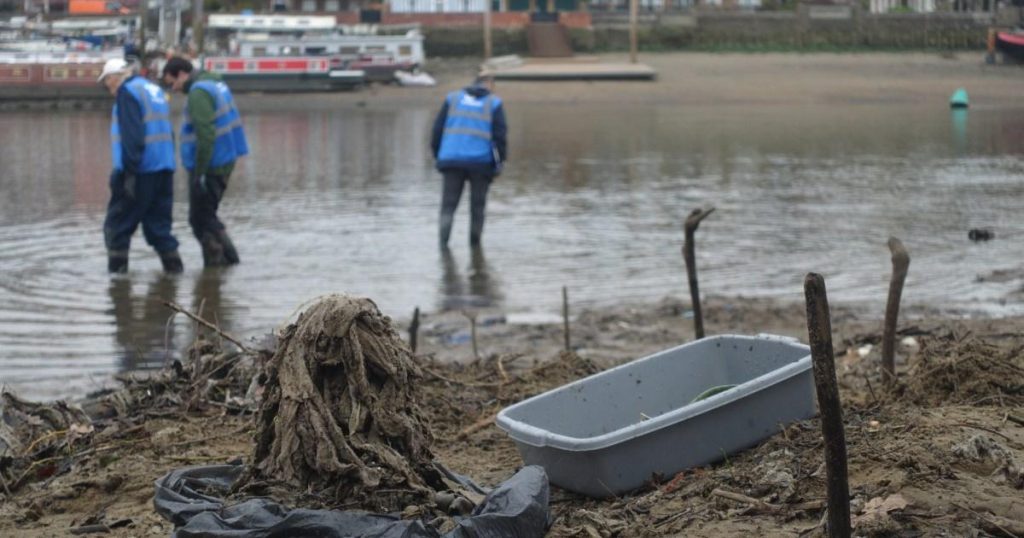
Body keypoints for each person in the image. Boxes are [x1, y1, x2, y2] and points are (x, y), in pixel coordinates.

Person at [162, 56, 249, 267]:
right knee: (206, 216)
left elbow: (206, 135)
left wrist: (199, 173)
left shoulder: (198, 93)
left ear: (182, 74)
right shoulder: (215, 83)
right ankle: (223, 266)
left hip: (211, 165)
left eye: (172, 83)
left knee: (201, 219)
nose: (173, 89)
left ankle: (220, 265)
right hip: (225, 159)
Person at [98, 58, 182, 274]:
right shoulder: (153, 89)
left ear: (114, 77)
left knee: (117, 226)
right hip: (164, 168)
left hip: (140, 171)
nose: (107, 87)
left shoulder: (127, 92)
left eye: (106, 81)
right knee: (159, 229)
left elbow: (133, 136)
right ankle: (174, 276)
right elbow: (167, 132)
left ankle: (117, 286)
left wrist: (129, 174)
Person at [431, 73, 507, 248]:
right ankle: (475, 246)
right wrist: (499, 163)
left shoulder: (453, 99)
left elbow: (437, 130)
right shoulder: (494, 103)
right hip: (481, 163)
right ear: (490, 86)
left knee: (448, 206)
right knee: (477, 207)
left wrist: (438, 156)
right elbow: (500, 138)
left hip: (450, 160)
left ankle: (443, 245)